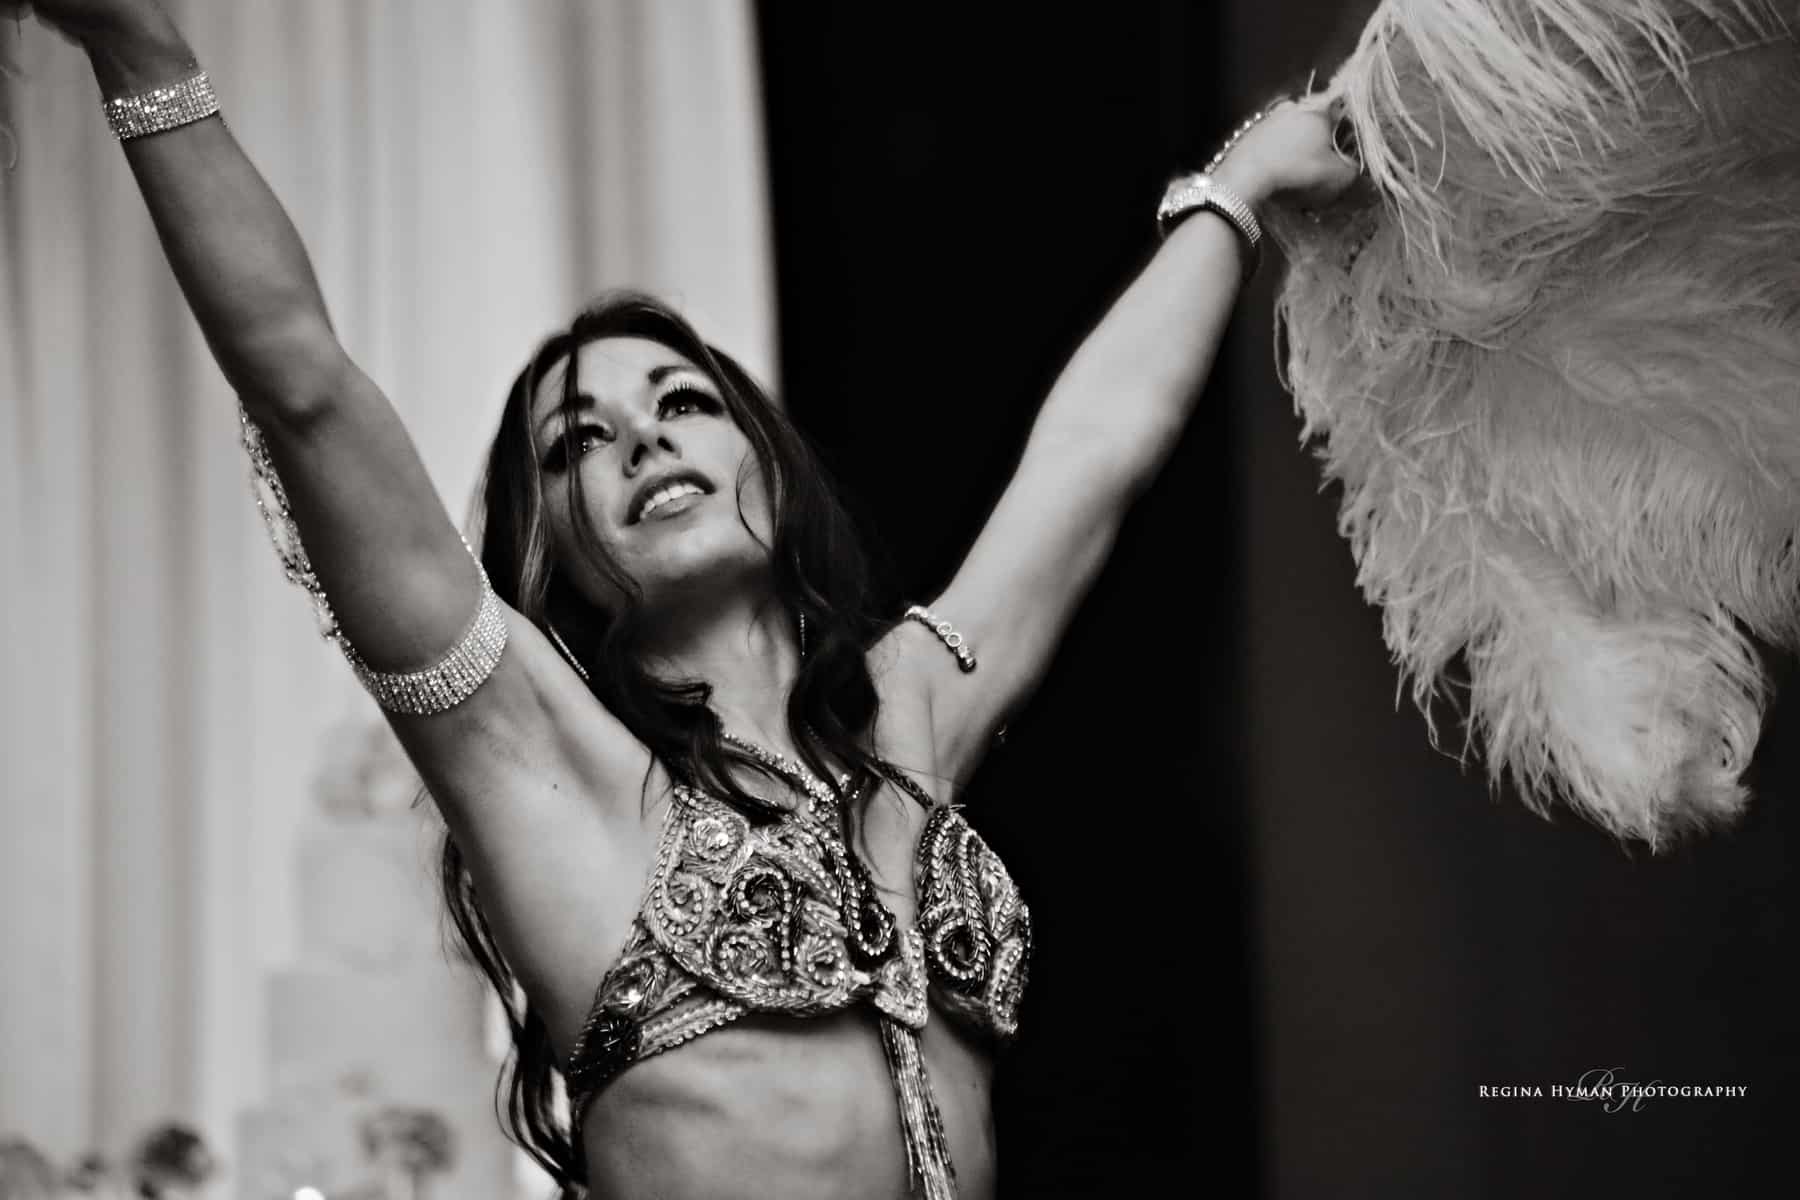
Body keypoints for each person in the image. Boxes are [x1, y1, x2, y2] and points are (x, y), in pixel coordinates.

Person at [16, 1, 1358, 1196]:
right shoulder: (540, 764)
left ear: (762, 466)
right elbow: (305, 388)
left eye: (682, 403)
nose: (642, 440)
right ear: (549, 539)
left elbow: (1093, 453)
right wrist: (149, 52)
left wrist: (1237, 191)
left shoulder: (911, 712)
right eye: (577, 442)